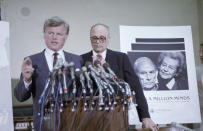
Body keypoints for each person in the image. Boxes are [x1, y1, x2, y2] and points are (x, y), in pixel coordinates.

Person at [81, 23, 158, 131]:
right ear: (90, 39)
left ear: (108, 39)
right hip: (89, 117)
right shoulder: (81, 60)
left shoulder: (121, 58)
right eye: (94, 38)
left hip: (117, 116)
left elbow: (136, 87)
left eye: (102, 38)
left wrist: (145, 116)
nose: (98, 41)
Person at [14, 16, 83, 131]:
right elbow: (20, 97)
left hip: (72, 123)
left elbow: (81, 93)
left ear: (65, 37)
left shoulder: (77, 60)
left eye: (59, 34)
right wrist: (26, 80)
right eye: (50, 33)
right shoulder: (31, 61)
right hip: (43, 124)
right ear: (44, 35)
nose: (54, 37)